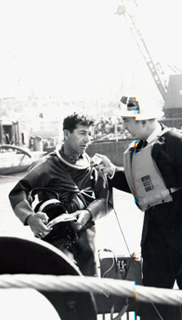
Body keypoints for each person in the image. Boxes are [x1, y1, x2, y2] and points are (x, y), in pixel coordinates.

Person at [95, 95, 182, 320]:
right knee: (152, 302)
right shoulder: (138, 148)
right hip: (154, 239)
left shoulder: (176, 141)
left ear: (143, 120)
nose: (125, 126)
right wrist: (112, 173)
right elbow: (143, 186)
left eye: (127, 121)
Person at [8, 112, 112, 276]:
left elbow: (106, 200)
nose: (87, 139)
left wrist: (88, 213)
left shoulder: (93, 168)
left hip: (86, 238)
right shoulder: (47, 165)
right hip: (56, 238)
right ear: (66, 134)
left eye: (90, 134)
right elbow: (18, 193)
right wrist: (30, 218)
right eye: (82, 133)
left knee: (91, 285)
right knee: (64, 282)